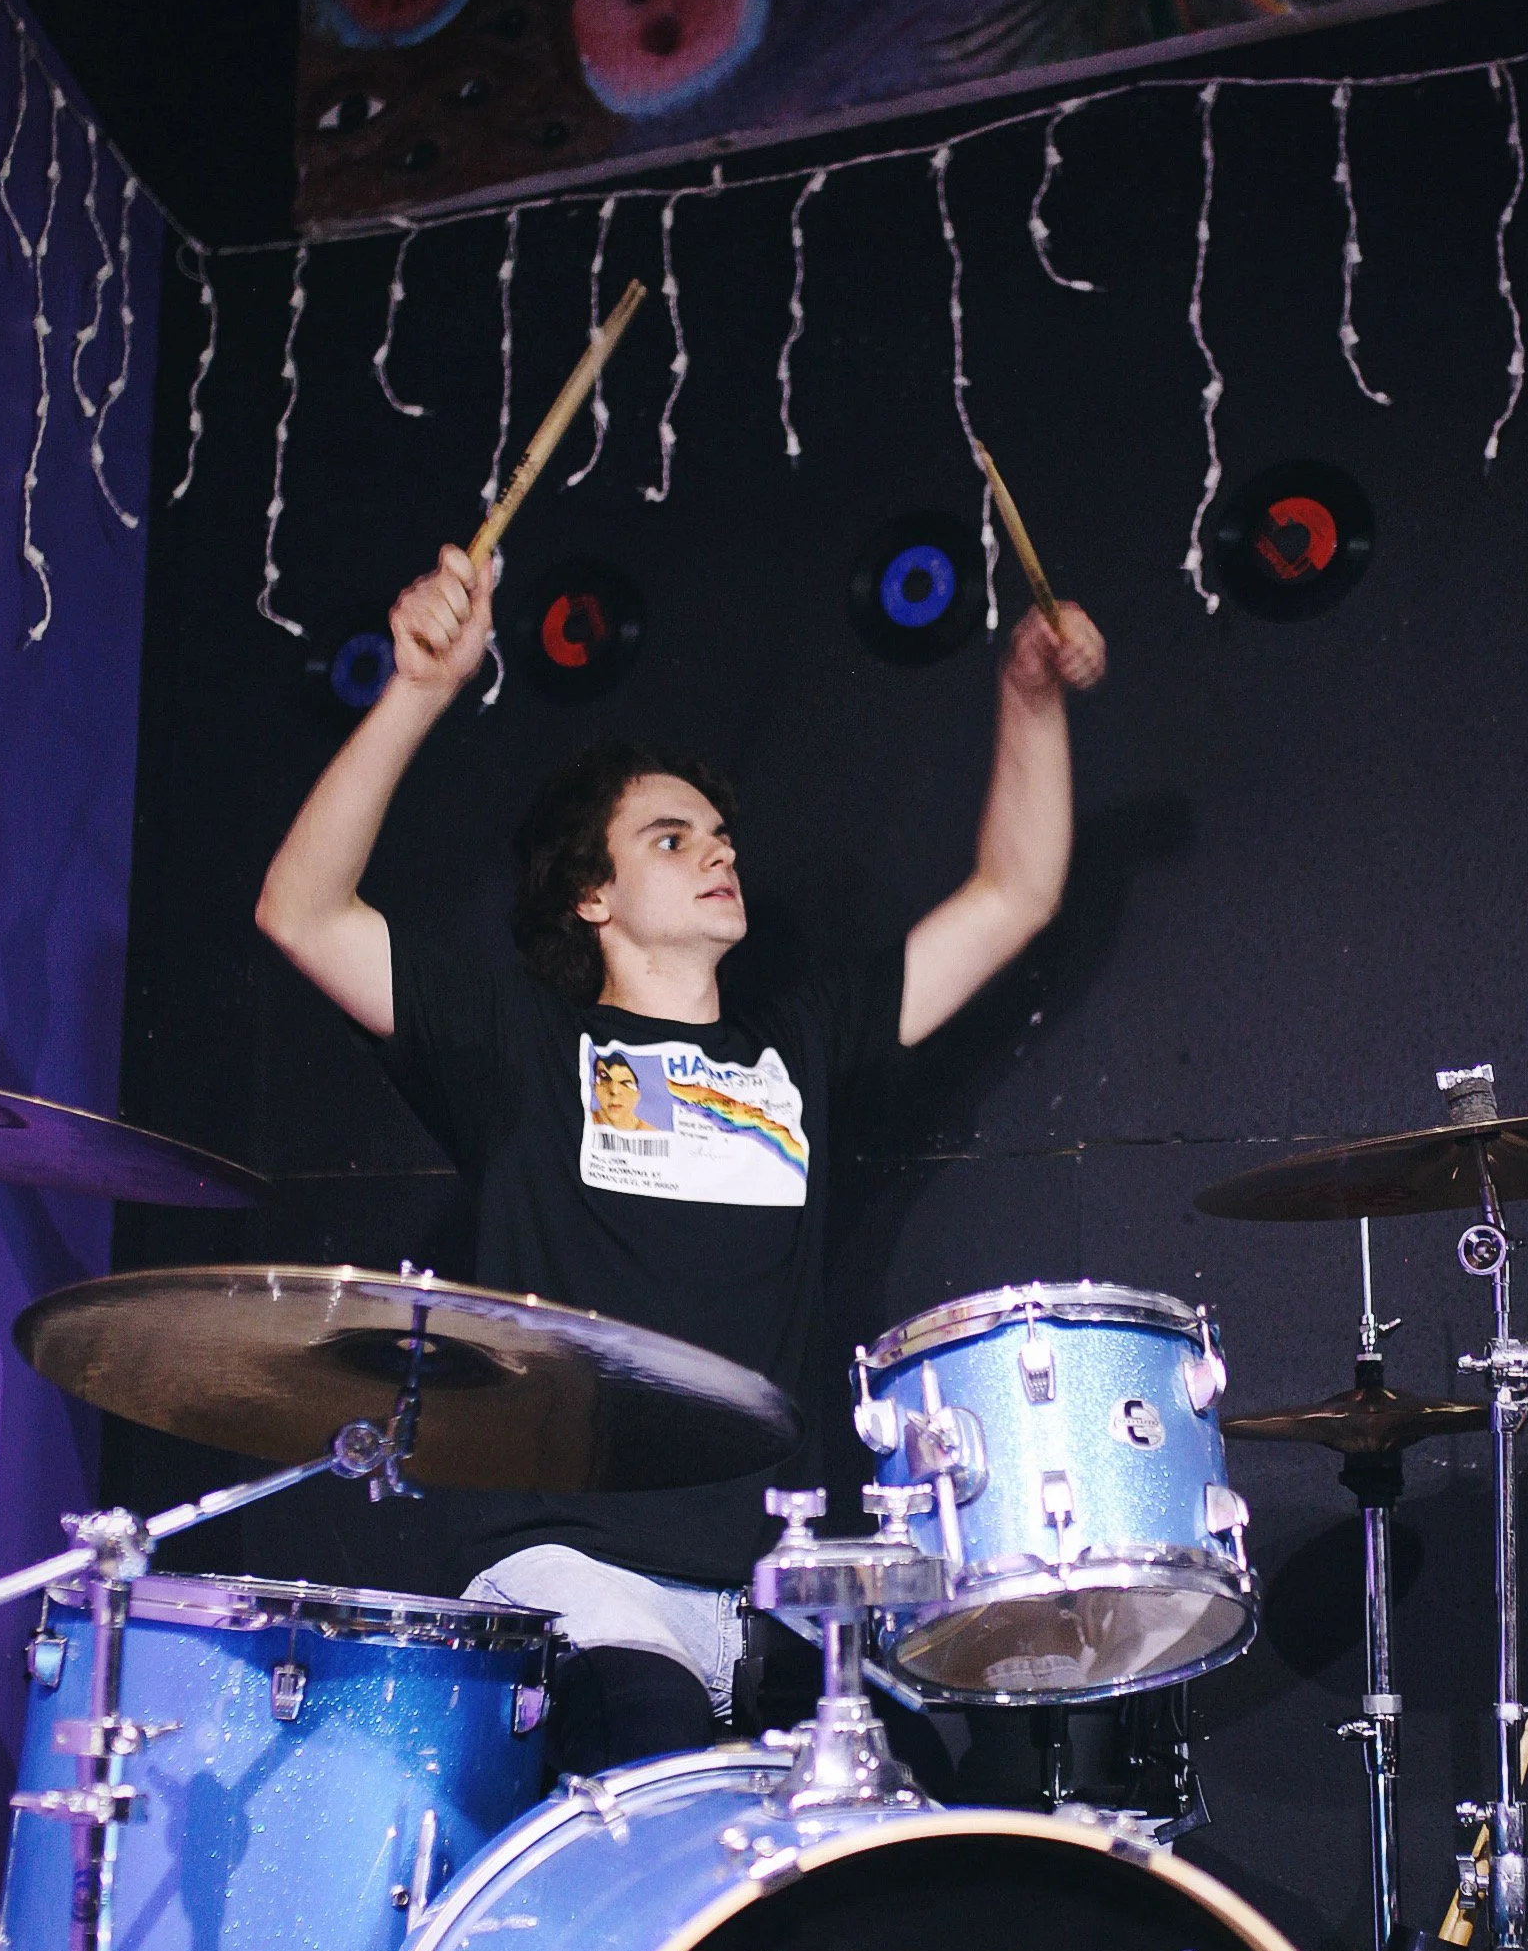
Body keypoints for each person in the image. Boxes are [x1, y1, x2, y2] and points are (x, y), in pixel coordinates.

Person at [256, 539, 1105, 1771]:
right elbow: (303, 910)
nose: (719, 851)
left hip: (768, 1584)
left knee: (925, 1794)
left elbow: (1015, 892)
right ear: (589, 897)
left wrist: (1030, 696)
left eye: (720, 834)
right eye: (670, 838)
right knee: (645, 1770)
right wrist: (420, 694)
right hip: (575, 1571)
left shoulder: (797, 1047)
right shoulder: (521, 1045)